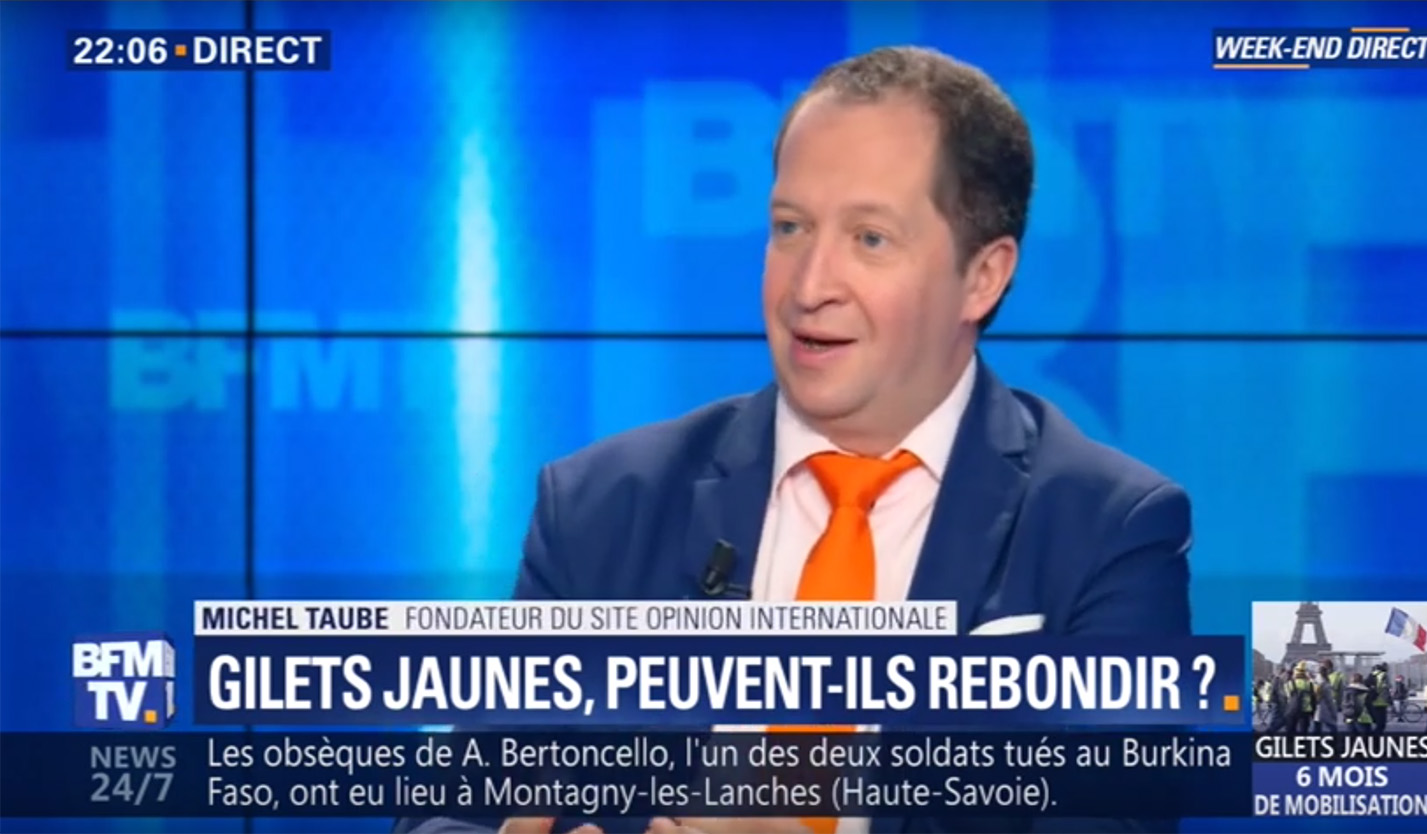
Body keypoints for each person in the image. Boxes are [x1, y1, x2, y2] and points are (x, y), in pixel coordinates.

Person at [397, 45, 1192, 834]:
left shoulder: (1109, 531)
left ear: (982, 276)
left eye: (870, 238)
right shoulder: (599, 509)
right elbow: (441, 815)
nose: (809, 287)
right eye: (790, 228)